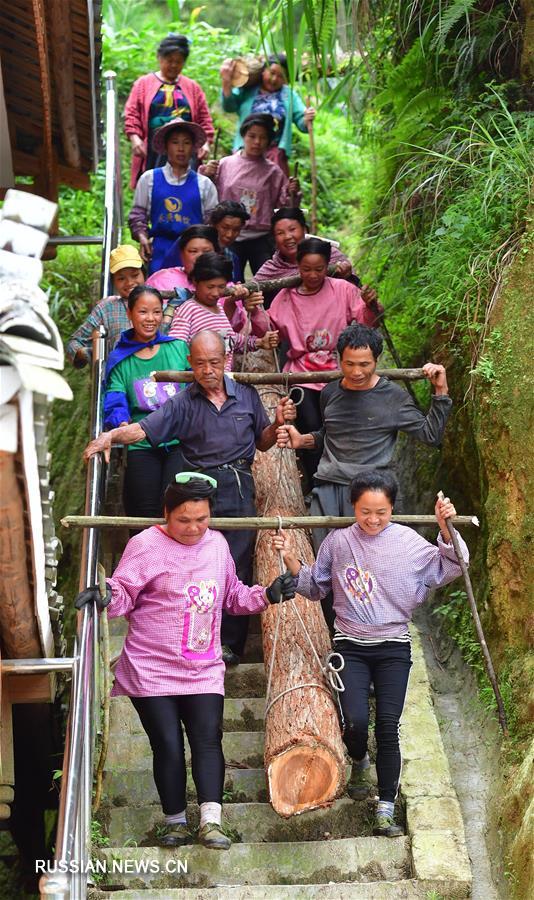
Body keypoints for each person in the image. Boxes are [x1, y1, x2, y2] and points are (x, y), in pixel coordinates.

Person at [75, 474, 293, 849]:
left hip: (203, 665)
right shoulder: (145, 545)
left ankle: (211, 823)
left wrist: (268, 594)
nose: (193, 528)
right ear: (165, 514)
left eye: (201, 520)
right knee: (168, 744)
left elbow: (233, 597)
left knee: (208, 740)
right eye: (183, 520)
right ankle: (174, 821)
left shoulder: (217, 546)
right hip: (150, 667)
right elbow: (125, 593)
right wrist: (107, 595)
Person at [272, 469, 468, 837]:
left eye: (381, 512)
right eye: (365, 511)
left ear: (392, 508)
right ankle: (358, 758)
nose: (373, 519)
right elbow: (316, 586)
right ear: (354, 507)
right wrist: (290, 560)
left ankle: (385, 809)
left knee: (388, 728)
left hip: (393, 647)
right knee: (356, 722)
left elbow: (454, 564)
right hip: (351, 647)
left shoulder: (409, 542)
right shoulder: (338, 542)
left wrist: (445, 529)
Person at [84, 329, 297, 664]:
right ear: (190, 363)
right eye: (200, 364)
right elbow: (144, 429)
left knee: (237, 564)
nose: (208, 370)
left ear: (225, 359)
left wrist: (277, 424)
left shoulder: (246, 394)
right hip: (198, 490)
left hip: (239, 484)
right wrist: (110, 436)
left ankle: (229, 645)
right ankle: (194, 638)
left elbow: (264, 441)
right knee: (197, 564)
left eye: (214, 362)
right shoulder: (183, 402)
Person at [277, 323, 452, 548]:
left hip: (373, 491)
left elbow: (430, 435)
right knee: (327, 561)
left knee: (373, 561)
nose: (356, 372)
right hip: (329, 489)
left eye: (364, 364)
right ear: (339, 360)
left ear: (376, 361)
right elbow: (328, 434)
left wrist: (441, 392)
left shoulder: (393, 398)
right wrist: (302, 440)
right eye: (349, 364)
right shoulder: (330, 393)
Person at [268, 238, 380, 485]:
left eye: (319, 269)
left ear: (328, 265)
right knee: (311, 429)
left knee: (343, 429)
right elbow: (266, 328)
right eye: (306, 269)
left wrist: (372, 304)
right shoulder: (285, 296)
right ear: (297, 266)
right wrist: (254, 313)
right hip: (302, 374)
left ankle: (348, 482)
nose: (313, 275)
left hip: (338, 373)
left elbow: (366, 322)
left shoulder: (343, 289)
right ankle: (318, 483)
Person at [103, 286, 189, 518]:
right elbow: (115, 398)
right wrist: (121, 425)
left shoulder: (178, 348)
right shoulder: (121, 359)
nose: (151, 319)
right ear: (129, 314)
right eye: (143, 312)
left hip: (180, 442)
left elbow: (195, 389)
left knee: (177, 509)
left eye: (156, 312)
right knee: (144, 513)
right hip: (142, 444)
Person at [200, 114, 297, 275]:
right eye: (252, 136)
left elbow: (284, 206)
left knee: (268, 281)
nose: (257, 142)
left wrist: (292, 192)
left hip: (261, 237)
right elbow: (207, 193)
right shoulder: (225, 164)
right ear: (243, 136)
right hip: (227, 236)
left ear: (269, 141)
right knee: (229, 281)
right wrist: (207, 174)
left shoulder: (274, 172)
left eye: (263, 137)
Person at [124, 33, 214, 187]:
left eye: (178, 62)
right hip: (153, 150)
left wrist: (205, 143)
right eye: (169, 60)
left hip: (185, 150)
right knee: (153, 189)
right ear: (159, 58)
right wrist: (135, 138)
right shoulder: (143, 84)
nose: (173, 65)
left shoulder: (193, 88)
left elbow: (204, 119)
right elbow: (132, 114)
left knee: (185, 190)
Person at [129, 119, 218, 274]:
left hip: (195, 255)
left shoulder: (205, 184)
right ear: (166, 146)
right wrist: (143, 238)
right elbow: (138, 215)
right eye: (175, 142)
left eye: (187, 143)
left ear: (194, 147)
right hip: (159, 251)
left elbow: (212, 222)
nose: (181, 149)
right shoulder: (149, 179)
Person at [168, 252, 276, 371]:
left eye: (221, 287)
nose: (215, 293)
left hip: (223, 380)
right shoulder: (188, 310)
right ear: (195, 282)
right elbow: (176, 347)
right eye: (210, 287)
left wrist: (259, 342)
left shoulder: (219, 307)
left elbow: (229, 340)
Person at [255, 207, 378, 308]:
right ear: (275, 239)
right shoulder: (271, 269)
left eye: (292, 229)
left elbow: (356, 295)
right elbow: (250, 291)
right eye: (280, 233)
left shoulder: (329, 255)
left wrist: (346, 276)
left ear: (304, 230)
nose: (287, 237)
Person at [220, 53, 316, 175]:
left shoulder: (289, 95)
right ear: (263, 71)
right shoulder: (248, 89)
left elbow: (301, 122)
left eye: (281, 76)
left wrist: (307, 118)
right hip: (245, 150)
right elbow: (229, 107)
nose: (274, 79)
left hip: (274, 153)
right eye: (272, 73)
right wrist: (226, 84)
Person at [66, 245, 145, 367]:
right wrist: (88, 353)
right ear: (113, 282)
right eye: (121, 278)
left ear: (144, 274)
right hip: (115, 379)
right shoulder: (106, 308)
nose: (129, 282)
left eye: (135, 275)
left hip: (151, 379)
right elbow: (74, 342)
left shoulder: (157, 302)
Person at [209, 201, 251, 281]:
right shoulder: (192, 247)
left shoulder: (232, 258)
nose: (229, 235)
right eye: (225, 228)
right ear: (214, 224)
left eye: (236, 230)